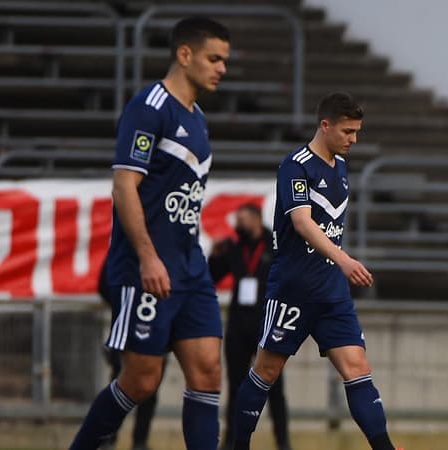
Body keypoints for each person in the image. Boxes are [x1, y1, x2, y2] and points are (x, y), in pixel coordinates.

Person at [70, 16, 230, 450]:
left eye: (225, 61)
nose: (222, 68)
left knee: (207, 372)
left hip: (190, 268)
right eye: (214, 58)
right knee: (141, 380)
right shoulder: (149, 107)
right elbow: (124, 186)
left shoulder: (197, 118)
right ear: (185, 54)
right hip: (147, 268)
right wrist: (147, 257)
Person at [230, 93, 402, 450]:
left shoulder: (340, 166)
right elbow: (302, 223)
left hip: (331, 291)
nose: (353, 139)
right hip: (294, 287)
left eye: (357, 132)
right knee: (266, 371)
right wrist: (343, 259)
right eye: (347, 131)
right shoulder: (296, 165)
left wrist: (338, 266)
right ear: (325, 126)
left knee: (357, 367)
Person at [208, 204, 293, 450]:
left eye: (243, 220)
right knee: (236, 387)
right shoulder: (234, 248)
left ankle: (283, 441)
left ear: (256, 219)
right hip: (238, 326)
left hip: (266, 323)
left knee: (274, 386)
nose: (238, 225)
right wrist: (214, 256)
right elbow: (212, 276)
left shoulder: (273, 245)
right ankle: (231, 441)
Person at [97, 259, 166, 450]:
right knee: (120, 386)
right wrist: (125, 304)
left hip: (155, 330)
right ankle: (107, 438)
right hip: (127, 331)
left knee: (150, 388)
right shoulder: (124, 250)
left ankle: (140, 441)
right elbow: (104, 284)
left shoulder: (167, 253)